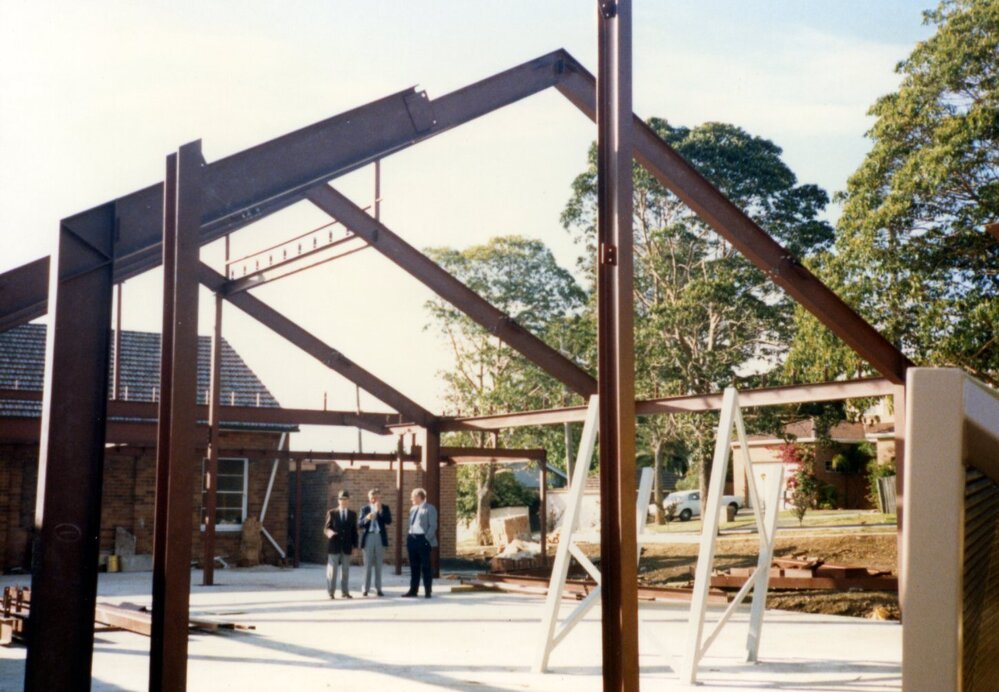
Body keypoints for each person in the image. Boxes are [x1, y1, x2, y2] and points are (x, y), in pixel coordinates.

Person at [402, 487, 437, 599]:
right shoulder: (412, 509)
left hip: (423, 539)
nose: (411, 499)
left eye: (413, 497)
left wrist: (426, 538)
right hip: (412, 539)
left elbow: (433, 526)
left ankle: (428, 590)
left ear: (419, 497)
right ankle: (413, 590)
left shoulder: (429, 508)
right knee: (414, 566)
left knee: (426, 566)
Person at [324, 489, 358, 599]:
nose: (343, 501)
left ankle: (345, 591)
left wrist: (355, 546)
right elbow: (326, 528)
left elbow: (354, 532)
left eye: (345, 499)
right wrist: (329, 533)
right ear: (338, 501)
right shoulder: (332, 513)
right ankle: (331, 592)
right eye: (341, 499)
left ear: (348, 501)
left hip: (347, 546)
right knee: (332, 571)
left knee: (345, 571)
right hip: (334, 545)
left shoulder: (352, 514)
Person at [358, 488, 392, 596]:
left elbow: (388, 521)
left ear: (380, 497)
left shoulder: (385, 508)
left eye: (377, 497)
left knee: (378, 564)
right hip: (368, 537)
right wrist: (367, 518)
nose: (374, 499)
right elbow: (359, 524)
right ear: (369, 498)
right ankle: (365, 588)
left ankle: (379, 588)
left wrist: (380, 511)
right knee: (367, 564)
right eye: (372, 497)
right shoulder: (365, 509)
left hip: (379, 537)